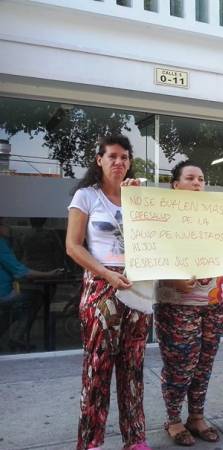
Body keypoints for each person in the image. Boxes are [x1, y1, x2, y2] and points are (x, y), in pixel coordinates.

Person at [65, 135, 152, 450]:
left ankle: (136, 438)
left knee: (133, 365)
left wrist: (139, 203)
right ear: (99, 160)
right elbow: (73, 246)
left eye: (125, 157)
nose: (119, 162)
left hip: (137, 285)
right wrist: (106, 275)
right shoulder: (86, 197)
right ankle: (91, 442)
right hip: (101, 286)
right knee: (98, 367)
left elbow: (156, 240)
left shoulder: (137, 196)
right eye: (112, 156)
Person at [156, 160, 223, 446]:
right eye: (191, 178)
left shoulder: (214, 213)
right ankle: (172, 419)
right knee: (180, 363)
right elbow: (151, 253)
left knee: (204, 362)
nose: (197, 183)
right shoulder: (161, 215)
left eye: (201, 179)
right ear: (175, 184)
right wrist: (171, 280)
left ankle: (196, 416)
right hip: (178, 303)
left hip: (214, 300)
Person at [0, 219, 62, 351]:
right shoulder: (48, 236)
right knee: (32, 302)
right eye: (4, 223)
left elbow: (18, 259)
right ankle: (18, 336)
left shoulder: (22, 237)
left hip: (23, 281)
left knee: (19, 307)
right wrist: (50, 274)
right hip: (10, 290)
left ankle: (17, 336)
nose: (8, 227)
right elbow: (19, 270)